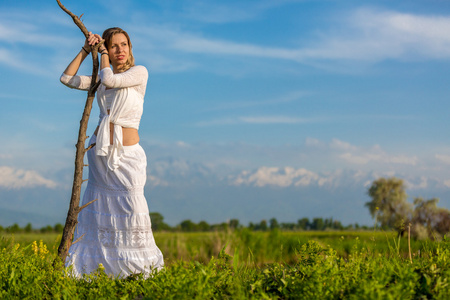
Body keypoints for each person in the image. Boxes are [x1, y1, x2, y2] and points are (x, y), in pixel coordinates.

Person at [60, 27, 164, 278]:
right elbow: (67, 78)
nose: (119, 50)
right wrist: (87, 50)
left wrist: (103, 52)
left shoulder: (138, 73)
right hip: (100, 153)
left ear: (130, 48)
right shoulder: (101, 77)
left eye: (123, 44)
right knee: (99, 209)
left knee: (131, 203)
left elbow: (111, 79)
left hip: (128, 154)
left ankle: (137, 270)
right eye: (113, 45)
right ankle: (95, 270)